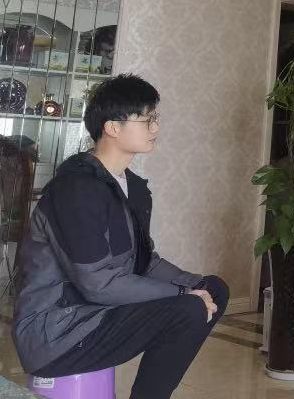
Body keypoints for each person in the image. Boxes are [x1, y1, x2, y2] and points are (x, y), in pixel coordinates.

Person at [13, 75, 228, 399]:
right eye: (147, 119)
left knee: (214, 290)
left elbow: (144, 262)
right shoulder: (75, 190)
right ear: (113, 127)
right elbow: (97, 283)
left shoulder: (133, 188)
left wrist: (196, 286)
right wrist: (184, 294)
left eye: (156, 118)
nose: (156, 127)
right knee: (189, 308)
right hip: (56, 331)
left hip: (95, 315)